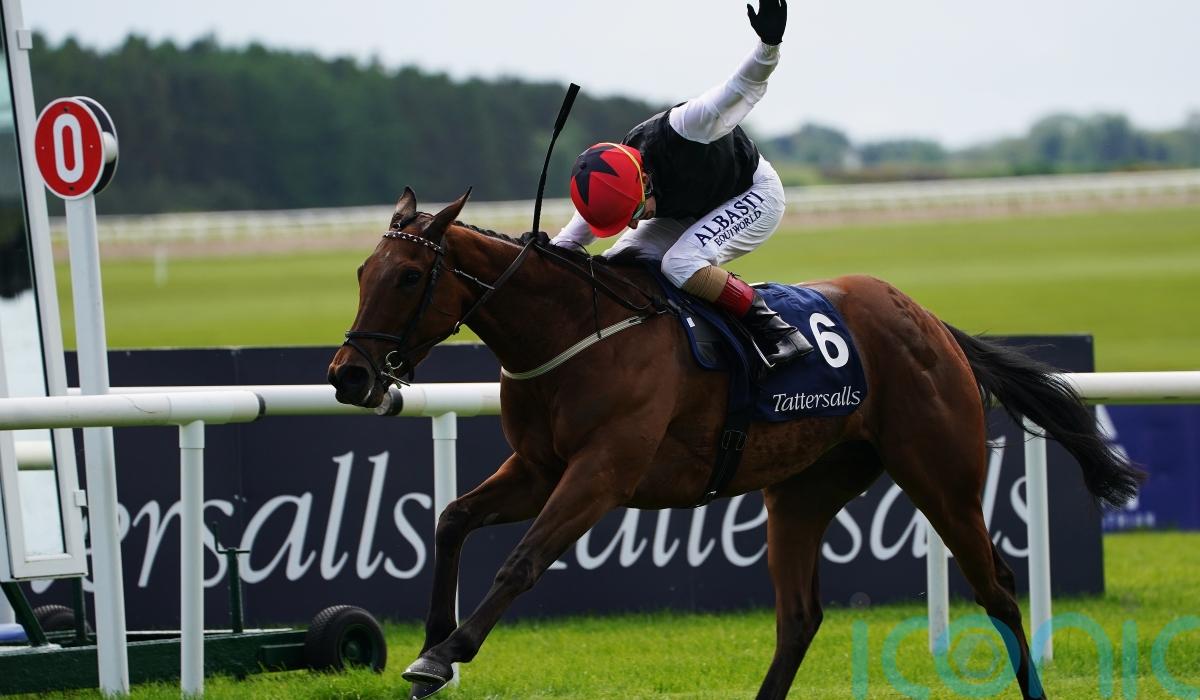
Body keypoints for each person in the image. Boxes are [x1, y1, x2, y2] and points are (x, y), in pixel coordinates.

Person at [552, 0, 813, 369]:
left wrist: (768, 46)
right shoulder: (613, 189)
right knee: (617, 263)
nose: (632, 225)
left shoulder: (687, 127)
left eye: (635, 213)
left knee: (681, 263)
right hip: (694, 206)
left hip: (753, 194)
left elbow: (742, 86)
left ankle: (777, 331)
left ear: (644, 179)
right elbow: (567, 245)